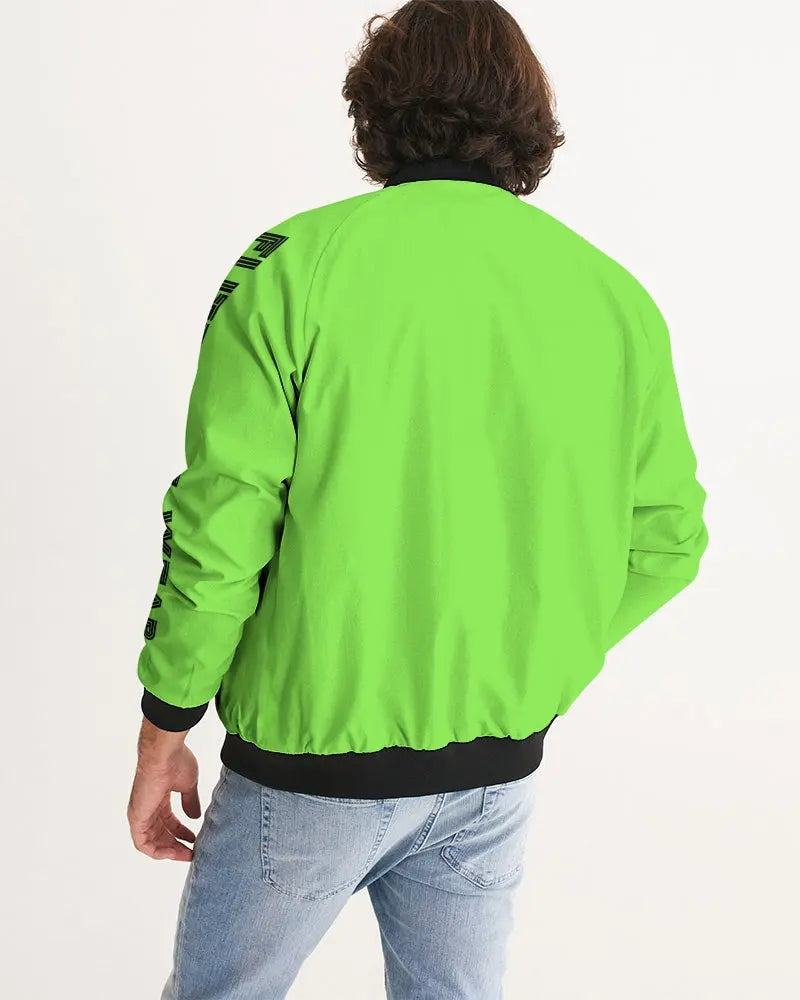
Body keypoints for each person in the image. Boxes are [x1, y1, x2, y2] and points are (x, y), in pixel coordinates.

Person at [127, 2, 709, 997]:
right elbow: (666, 541)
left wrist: (163, 727)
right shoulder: (611, 296)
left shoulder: (292, 267)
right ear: (525, 115)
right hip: (493, 771)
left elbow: (221, 525)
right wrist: (529, 657)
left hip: (306, 763)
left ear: (375, 111)